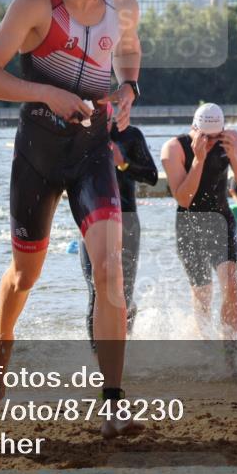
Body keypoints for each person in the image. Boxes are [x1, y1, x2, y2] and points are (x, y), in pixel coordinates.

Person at [0, 0, 141, 437]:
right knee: (26, 275)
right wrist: (47, 91)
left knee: (110, 271)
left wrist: (129, 88)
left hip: (92, 151)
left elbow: (130, 54)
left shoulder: (124, 9)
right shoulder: (33, 6)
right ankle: (3, 340)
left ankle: (112, 403)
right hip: (38, 154)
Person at [161, 103, 237, 342]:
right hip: (189, 224)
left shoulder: (230, 139)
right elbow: (183, 198)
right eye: (206, 137)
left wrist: (233, 156)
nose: (212, 142)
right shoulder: (173, 149)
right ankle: (205, 344)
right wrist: (198, 161)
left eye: (216, 137)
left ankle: (229, 349)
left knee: (231, 286)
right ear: (195, 128)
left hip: (221, 220)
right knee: (203, 294)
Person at [81, 123, 157, 345]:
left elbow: (151, 176)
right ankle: (98, 359)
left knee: (123, 294)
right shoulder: (81, 133)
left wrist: (123, 164)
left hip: (126, 222)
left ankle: (122, 352)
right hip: (92, 221)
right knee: (96, 292)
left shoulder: (130, 135)